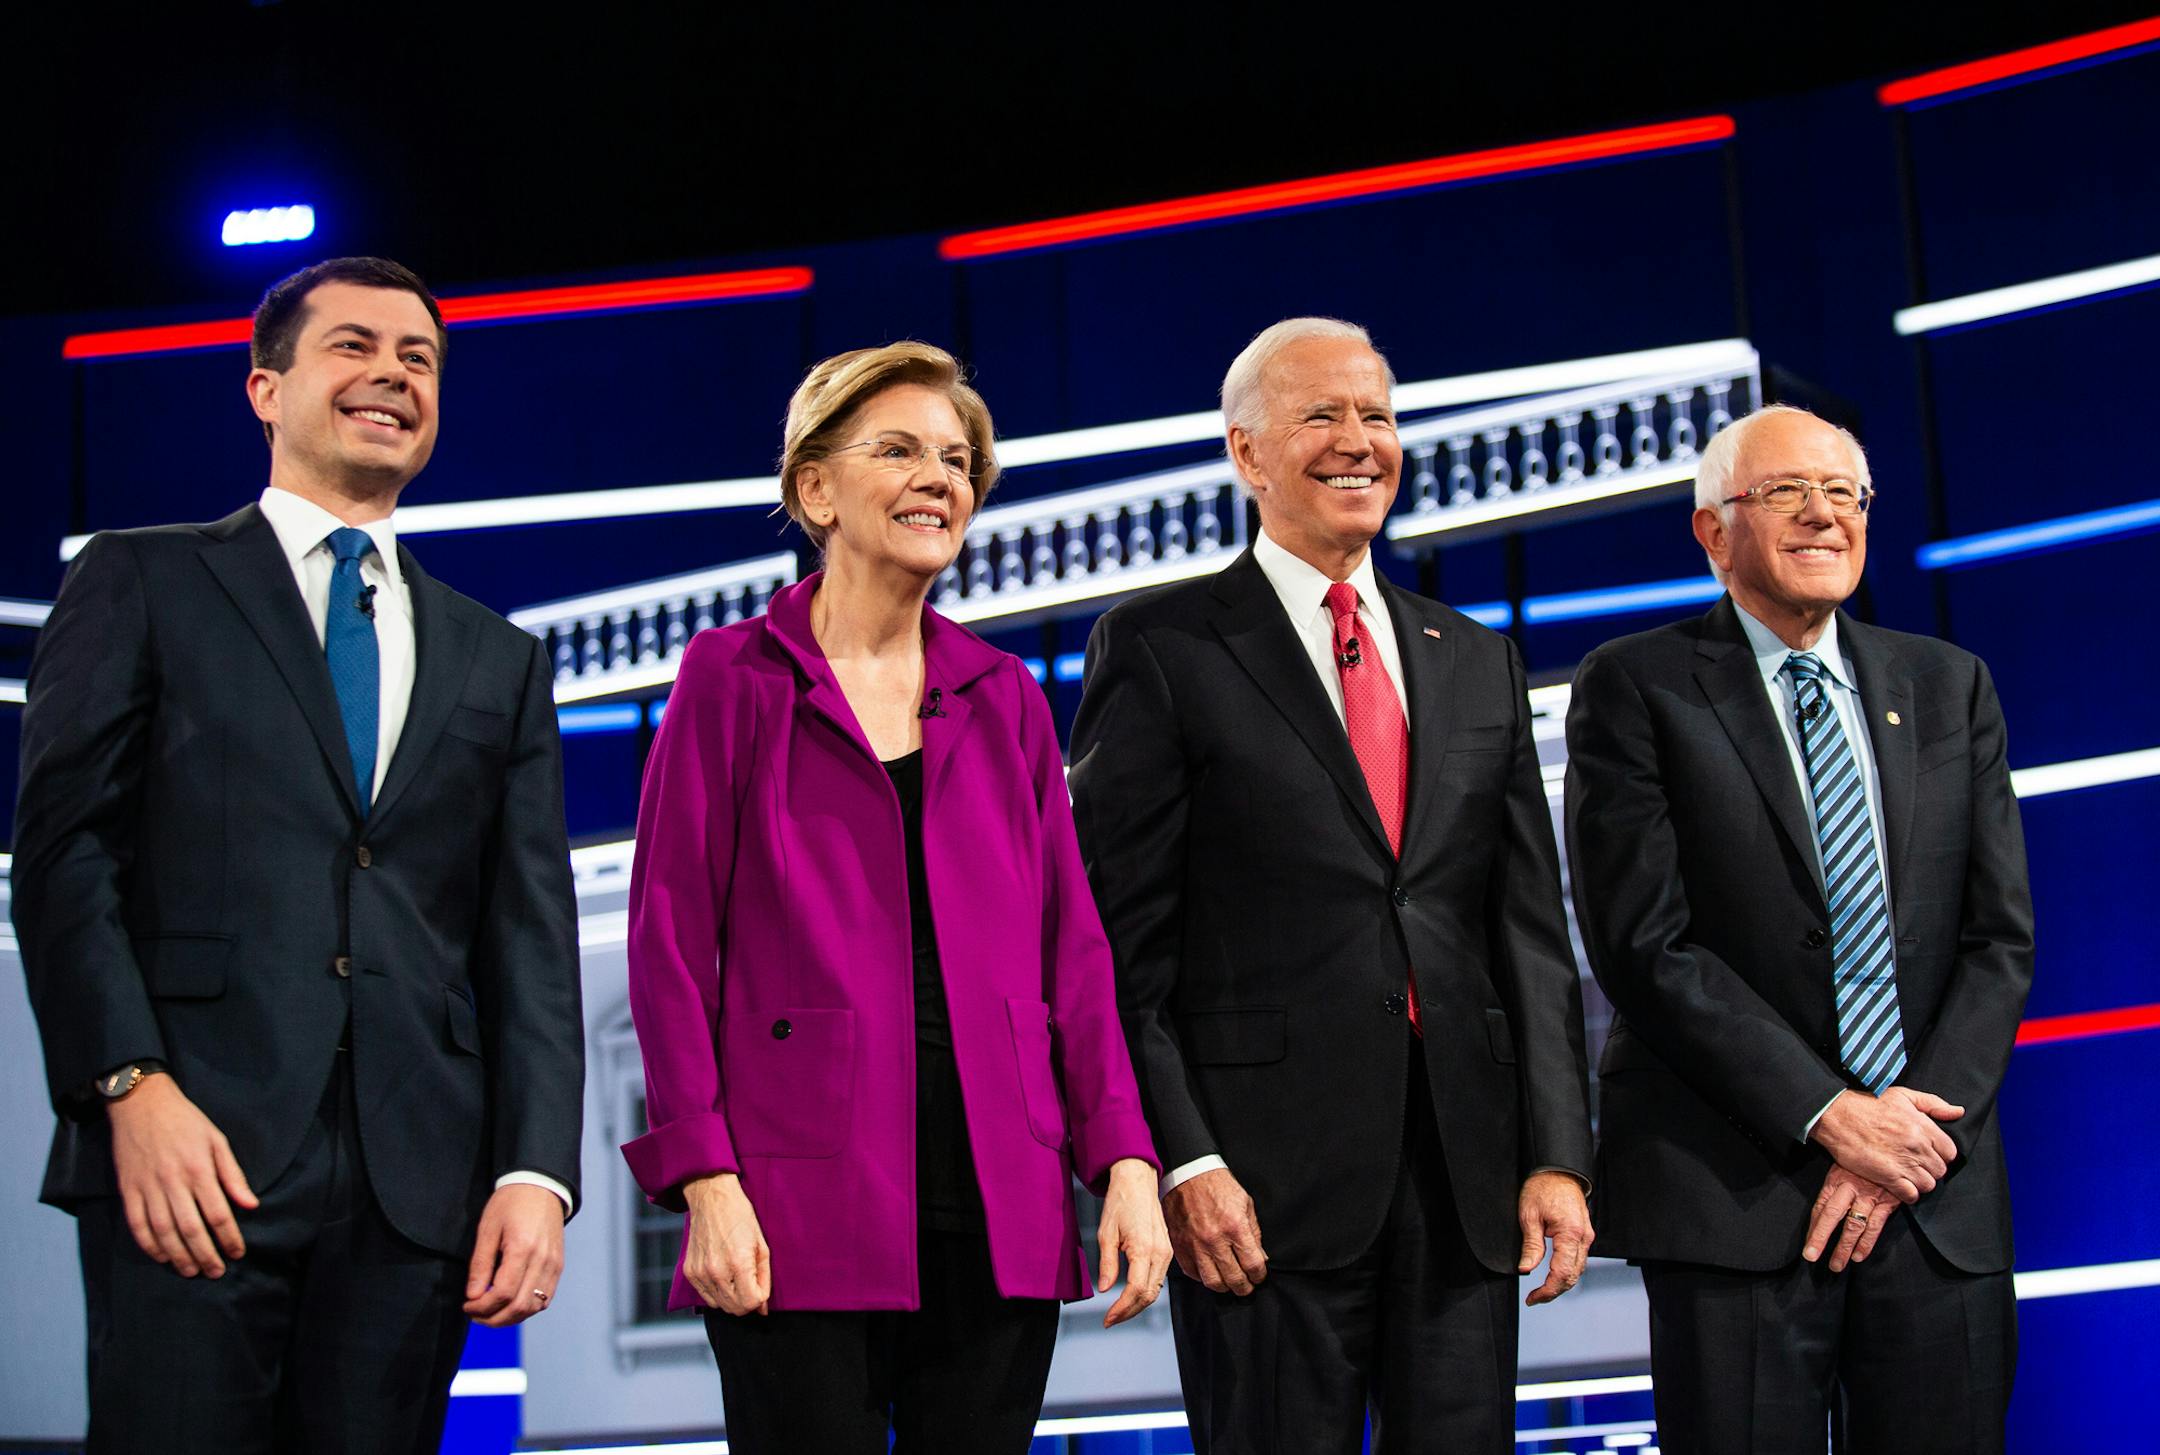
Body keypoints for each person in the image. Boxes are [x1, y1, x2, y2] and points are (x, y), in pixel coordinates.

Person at [14, 256, 585, 1454]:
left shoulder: (501, 659)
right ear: (265, 389)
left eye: (418, 359)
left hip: (414, 1190)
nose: (391, 374)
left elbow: (528, 944)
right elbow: (64, 861)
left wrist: (536, 1174)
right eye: (355, 347)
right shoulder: (139, 579)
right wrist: (129, 1085)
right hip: (190, 1164)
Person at [621, 341, 1170, 1454]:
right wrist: (704, 1179)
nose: (941, 479)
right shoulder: (730, 679)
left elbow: (1075, 951)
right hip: (793, 1199)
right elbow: (668, 944)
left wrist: (1124, 1160)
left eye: (960, 461)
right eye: (901, 451)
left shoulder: (1004, 694)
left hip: (996, 1191)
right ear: (815, 487)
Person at [1068, 317, 1596, 1454]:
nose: (1360, 441)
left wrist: (1555, 1151)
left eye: (1379, 416)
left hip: (1462, 1186)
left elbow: (1528, 936)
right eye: (1322, 414)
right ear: (1247, 452)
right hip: (1257, 1195)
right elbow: (1117, 950)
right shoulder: (1162, 648)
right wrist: (1184, 1160)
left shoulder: (1475, 653)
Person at [1563, 404, 2032, 1452]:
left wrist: (1901, 1136)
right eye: (1785, 492)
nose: (1824, 515)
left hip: (1930, 1194)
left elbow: (1998, 941)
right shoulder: (1635, 687)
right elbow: (1645, 943)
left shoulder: (1949, 686)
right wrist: (1828, 1113)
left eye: (1844, 494)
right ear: (1711, 530)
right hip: (1735, 1200)